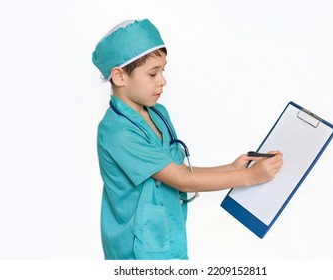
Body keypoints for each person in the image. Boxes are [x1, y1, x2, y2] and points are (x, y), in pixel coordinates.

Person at [92, 19, 283, 260]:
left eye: (163, 70)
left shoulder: (158, 113)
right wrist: (248, 177)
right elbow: (182, 180)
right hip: (136, 250)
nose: (162, 80)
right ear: (119, 76)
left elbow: (177, 169)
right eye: (152, 73)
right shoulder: (118, 133)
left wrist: (230, 168)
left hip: (167, 236)